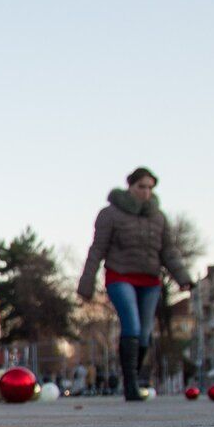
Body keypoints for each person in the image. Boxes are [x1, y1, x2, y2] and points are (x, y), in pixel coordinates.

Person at [78, 167, 193, 401]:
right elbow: (97, 249)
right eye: (141, 186)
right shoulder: (110, 214)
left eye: (150, 187)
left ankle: (134, 375)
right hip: (120, 276)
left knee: (145, 333)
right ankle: (131, 385)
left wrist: (183, 278)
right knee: (131, 324)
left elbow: (168, 251)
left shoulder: (158, 217)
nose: (146, 192)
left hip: (150, 280)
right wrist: (86, 284)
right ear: (130, 186)